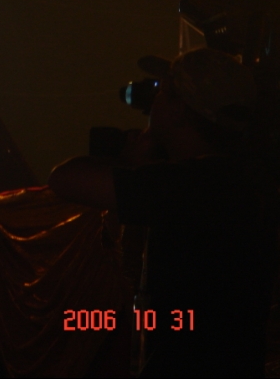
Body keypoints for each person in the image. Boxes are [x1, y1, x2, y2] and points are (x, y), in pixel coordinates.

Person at [48, 48, 279, 378]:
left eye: (162, 92)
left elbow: (65, 179)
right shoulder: (243, 179)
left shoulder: (195, 185)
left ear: (179, 112)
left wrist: (129, 160)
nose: (151, 101)